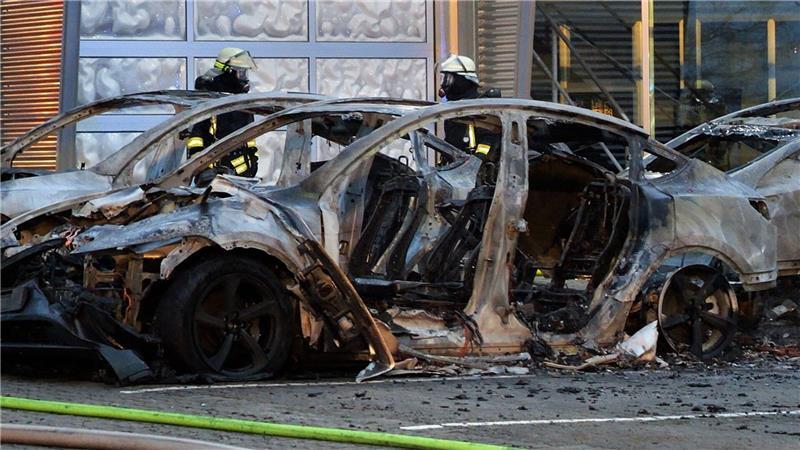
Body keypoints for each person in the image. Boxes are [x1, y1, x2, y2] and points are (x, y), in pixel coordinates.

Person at [186, 47, 260, 178]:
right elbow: (195, 139)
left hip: (242, 175)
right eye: (241, 73)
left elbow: (249, 136)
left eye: (245, 73)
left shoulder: (242, 101)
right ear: (228, 72)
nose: (244, 78)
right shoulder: (208, 100)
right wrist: (202, 169)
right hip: (214, 176)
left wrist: (253, 158)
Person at [437, 54, 501, 157]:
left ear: (462, 80)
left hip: (474, 168)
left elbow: (488, 140)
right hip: (456, 166)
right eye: (443, 79)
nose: (444, 84)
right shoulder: (454, 109)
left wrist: (477, 161)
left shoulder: (480, 106)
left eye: (448, 79)